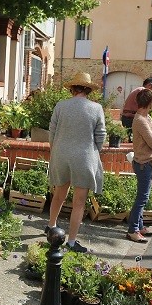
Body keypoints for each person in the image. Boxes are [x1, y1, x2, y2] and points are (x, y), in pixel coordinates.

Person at [45, 72, 106, 253]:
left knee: (59, 194)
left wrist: (56, 149)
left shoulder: (61, 106)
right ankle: (71, 242)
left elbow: (52, 131)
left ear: (72, 88)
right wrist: (95, 150)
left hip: (61, 154)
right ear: (88, 89)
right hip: (84, 156)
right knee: (79, 202)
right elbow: (100, 135)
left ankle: (51, 226)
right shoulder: (96, 108)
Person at [127, 87, 152, 243]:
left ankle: (140, 225)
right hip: (144, 164)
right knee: (142, 198)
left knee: (143, 196)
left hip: (146, 163)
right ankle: (133, 230)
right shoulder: (141, 121)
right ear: (150, 102)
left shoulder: (147, 118)